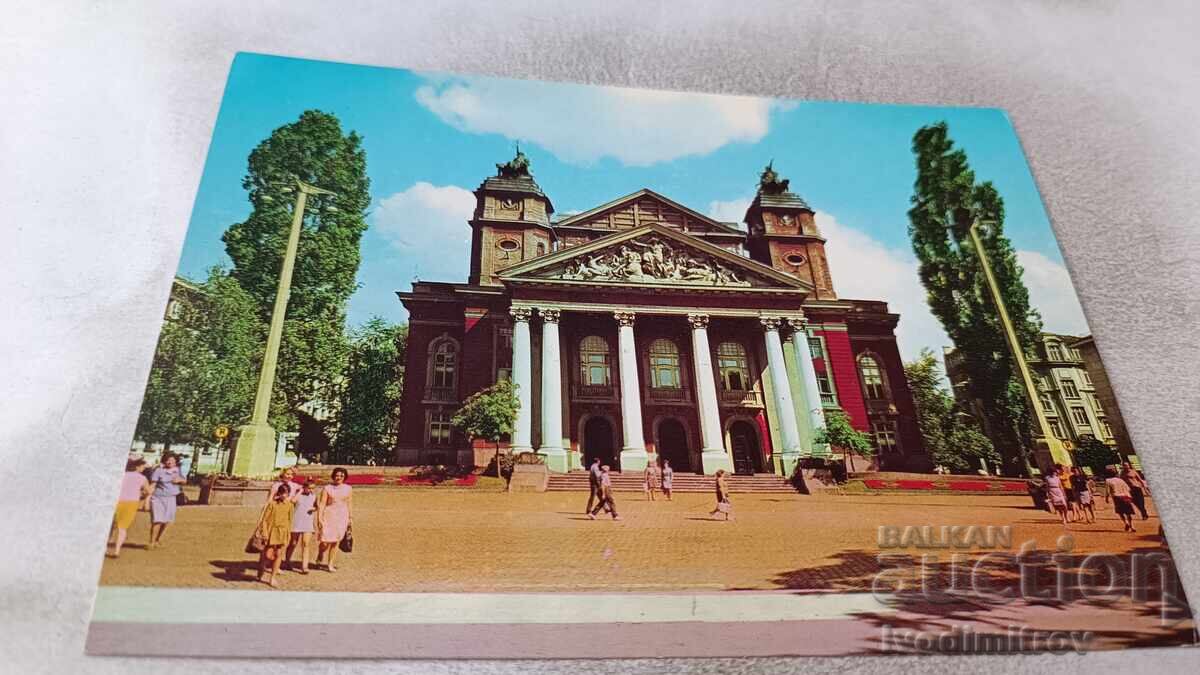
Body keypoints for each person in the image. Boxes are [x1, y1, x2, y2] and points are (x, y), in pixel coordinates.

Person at [109, 457, 151, 558]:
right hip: (131, 503)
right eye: (142, 467)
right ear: (137, 467)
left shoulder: (122, 475)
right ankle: (117, 550)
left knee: (111, 525)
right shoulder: (142, 478)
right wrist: (143, 496)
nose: (143, 469)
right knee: (122, 527)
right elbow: (148, 491)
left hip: (118, 501)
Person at [255, 483, 295, 587]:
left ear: (288, 494)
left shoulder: (290, 505)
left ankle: (272, 578)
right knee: (268, 555)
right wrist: (265, 533)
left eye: (286, 493)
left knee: (279, 555)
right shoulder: (272, 504)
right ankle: (261, 569)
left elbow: (290, 521)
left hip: (283, 532)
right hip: (271, 532)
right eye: (282, 493)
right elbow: (264, 520)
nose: (283, 495)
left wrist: (288, 534)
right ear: (278, 493)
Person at [147, 452, 187, 548]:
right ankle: (151, 542)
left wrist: (180, 480)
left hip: (171, 498)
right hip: (158, 498)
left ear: (176, 462)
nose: (169, 462)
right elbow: (153, 485)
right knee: (157, 520)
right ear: (164, 461)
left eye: (172, 460)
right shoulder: (158, 470)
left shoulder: (178, 470)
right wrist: (147, 497)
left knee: (167, 521)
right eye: (167, 460)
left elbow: (185, 481)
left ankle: (158, 539)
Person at [317, 467, 353, 572]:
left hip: (342, 516)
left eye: (341, 476)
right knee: (325, 541)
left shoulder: (348, 488)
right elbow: (322, 504)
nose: (339, 477)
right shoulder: (327, 488)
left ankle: (330, 564)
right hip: (329, 516)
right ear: (333, 476)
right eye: (337, 475)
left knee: (336, 541)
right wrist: (319, 518)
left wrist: (350, 517)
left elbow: (349, 503)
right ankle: (320, 553)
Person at [285, 478, 319, 574]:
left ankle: (304, 566)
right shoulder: (298, 495)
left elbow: (317, 506)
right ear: (304, 487)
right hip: (296, 521)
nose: (311, 490)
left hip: (308, 522)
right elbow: (293, 501)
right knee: (293, 543)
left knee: (306, 544)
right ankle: (287, 561)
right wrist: (300, 491)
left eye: (313, 488)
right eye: (309, 488)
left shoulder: (314, 496)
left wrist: (314, 509)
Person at [1105, 467, 1137, 532]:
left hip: (1117, 497)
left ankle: (1126, 523)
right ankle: (1132, 526)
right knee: (1128, 512)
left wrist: (1106, 498)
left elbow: (1107, 491)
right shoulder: (1121, 480)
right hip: (1126, 496)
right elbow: (1128, 489)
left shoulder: (1108, 480)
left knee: (1120, 512)